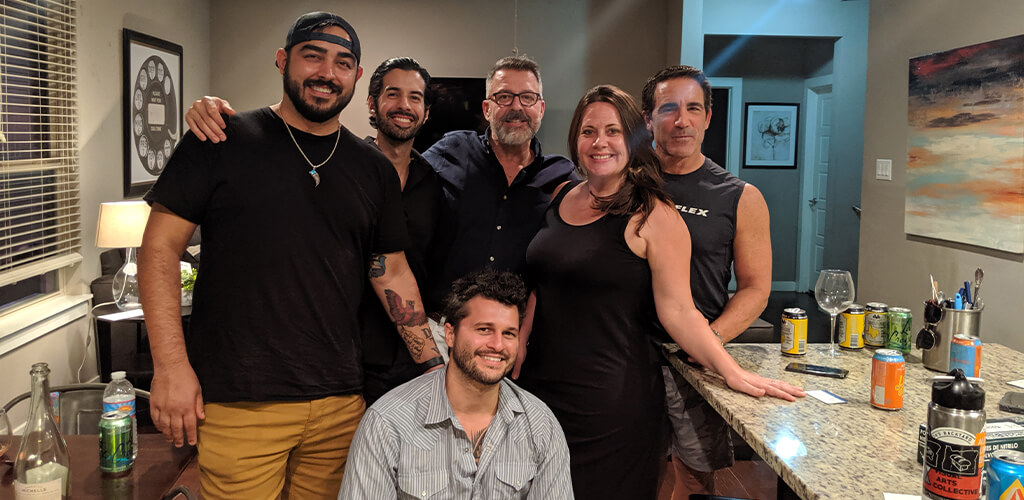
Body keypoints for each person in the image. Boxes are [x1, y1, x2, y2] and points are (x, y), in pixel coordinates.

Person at [139, 12, 442, 499]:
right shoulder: (221, 139)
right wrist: (171, 367)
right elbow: (159, 247)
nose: (327, 72)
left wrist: (434, 366)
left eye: (343, 62)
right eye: (312, 55)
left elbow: (390, 270)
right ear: (283, 60)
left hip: (340, 405)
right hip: (239, 403)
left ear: (356, 78)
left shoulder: (373, 170)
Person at [183, 55, 576, 361]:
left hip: (510, 337)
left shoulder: (562, 177)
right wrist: (218, 114)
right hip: (438, 330)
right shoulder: (448, 154)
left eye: (527, 98)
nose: (516, 107)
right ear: (488, 108)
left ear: (540, 107)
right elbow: (387, 162)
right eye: (505, 97)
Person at [514, 85, 803, 499]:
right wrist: (521, 338)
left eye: (613, 131)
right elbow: (544, 280)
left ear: (634, 139)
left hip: (610, 396)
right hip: (542, 384)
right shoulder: (562, 195)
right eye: (588, 131)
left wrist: (732, 371)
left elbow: (680, 312)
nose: (600, 142)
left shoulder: (655, 215)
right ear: (575, 139)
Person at [182, 57, 444, 406]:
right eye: (393, 94)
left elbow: (398, 269)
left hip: (399, 357)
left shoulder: (437, 181)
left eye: (415, 98)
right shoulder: (342, 165)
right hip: (338, 357)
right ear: (371, 102)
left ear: (426, 112)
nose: (404, 105)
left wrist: (434, 361)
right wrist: (210, 111)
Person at [642, 65, 773, 496]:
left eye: (693, 108)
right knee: (627, 470)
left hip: (692, 364)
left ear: (708, 117)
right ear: (649, 119)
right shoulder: (626, 186)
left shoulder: (738, 196)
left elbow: (755, 288)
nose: (682, 120)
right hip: (626, 356)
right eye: (668, 108)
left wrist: (710, 342)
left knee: (694, 479)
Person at [338, 269, 573, 499]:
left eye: (509, 334)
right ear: (450, 334)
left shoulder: (541, 425)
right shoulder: (387, 422)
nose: (498, 345)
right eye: (484, 329)